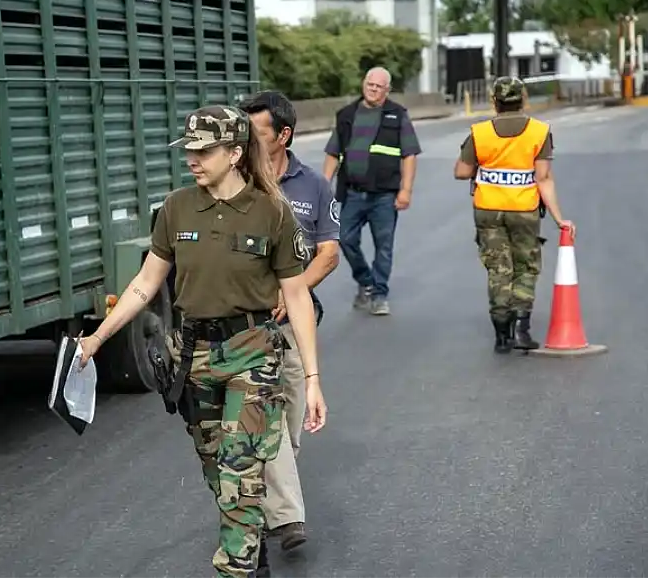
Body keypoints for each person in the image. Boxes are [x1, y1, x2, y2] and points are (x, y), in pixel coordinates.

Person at [77, 105, 328, 578]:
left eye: (204, 150)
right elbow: (144, 284)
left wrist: (312, 379)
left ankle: (238, 566)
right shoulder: (176, 208)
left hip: (253, 351)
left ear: (234, 153)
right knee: (218, 470)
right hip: (194, 356)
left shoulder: (271, 212)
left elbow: (296, 297)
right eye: (188, 150)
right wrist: (96, 339)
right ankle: (252, 546)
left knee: (239, 468)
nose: (192, 159)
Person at [239, 90, 340, 552]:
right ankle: (282, 517)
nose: (247, 143)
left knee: (292, 421)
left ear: (283, 135)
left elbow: (329, 254)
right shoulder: (237, 182)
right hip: (248, 323)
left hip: (294, 322)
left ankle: (267, 501)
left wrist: (293, 288)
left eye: (257, 133)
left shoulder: (313, 184)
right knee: (267, 419)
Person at [453, 76, 577, 353]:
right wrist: (560, 219)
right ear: (523, 100)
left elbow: (461, 171)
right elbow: (543, 178)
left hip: (488, 211)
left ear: (494, 102)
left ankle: (501, 334)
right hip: (524, 211)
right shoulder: (539, 132)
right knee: (525, 267)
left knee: (498, 268)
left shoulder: (480, 132)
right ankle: (522, 327)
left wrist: (484, 168)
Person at [322, 66, 422, 316]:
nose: (373, 89)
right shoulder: (346, 115)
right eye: (370, 84)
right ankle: (365, 280)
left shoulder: (397, 115)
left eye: (378, 86)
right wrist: (323, 187)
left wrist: (406, 190)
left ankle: (379, 294)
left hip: (385, 195)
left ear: (387, 90)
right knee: (344, 238)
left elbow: (409, 155)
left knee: (383, 246)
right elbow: (333, 152)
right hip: (353, 193)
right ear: (363, 84)